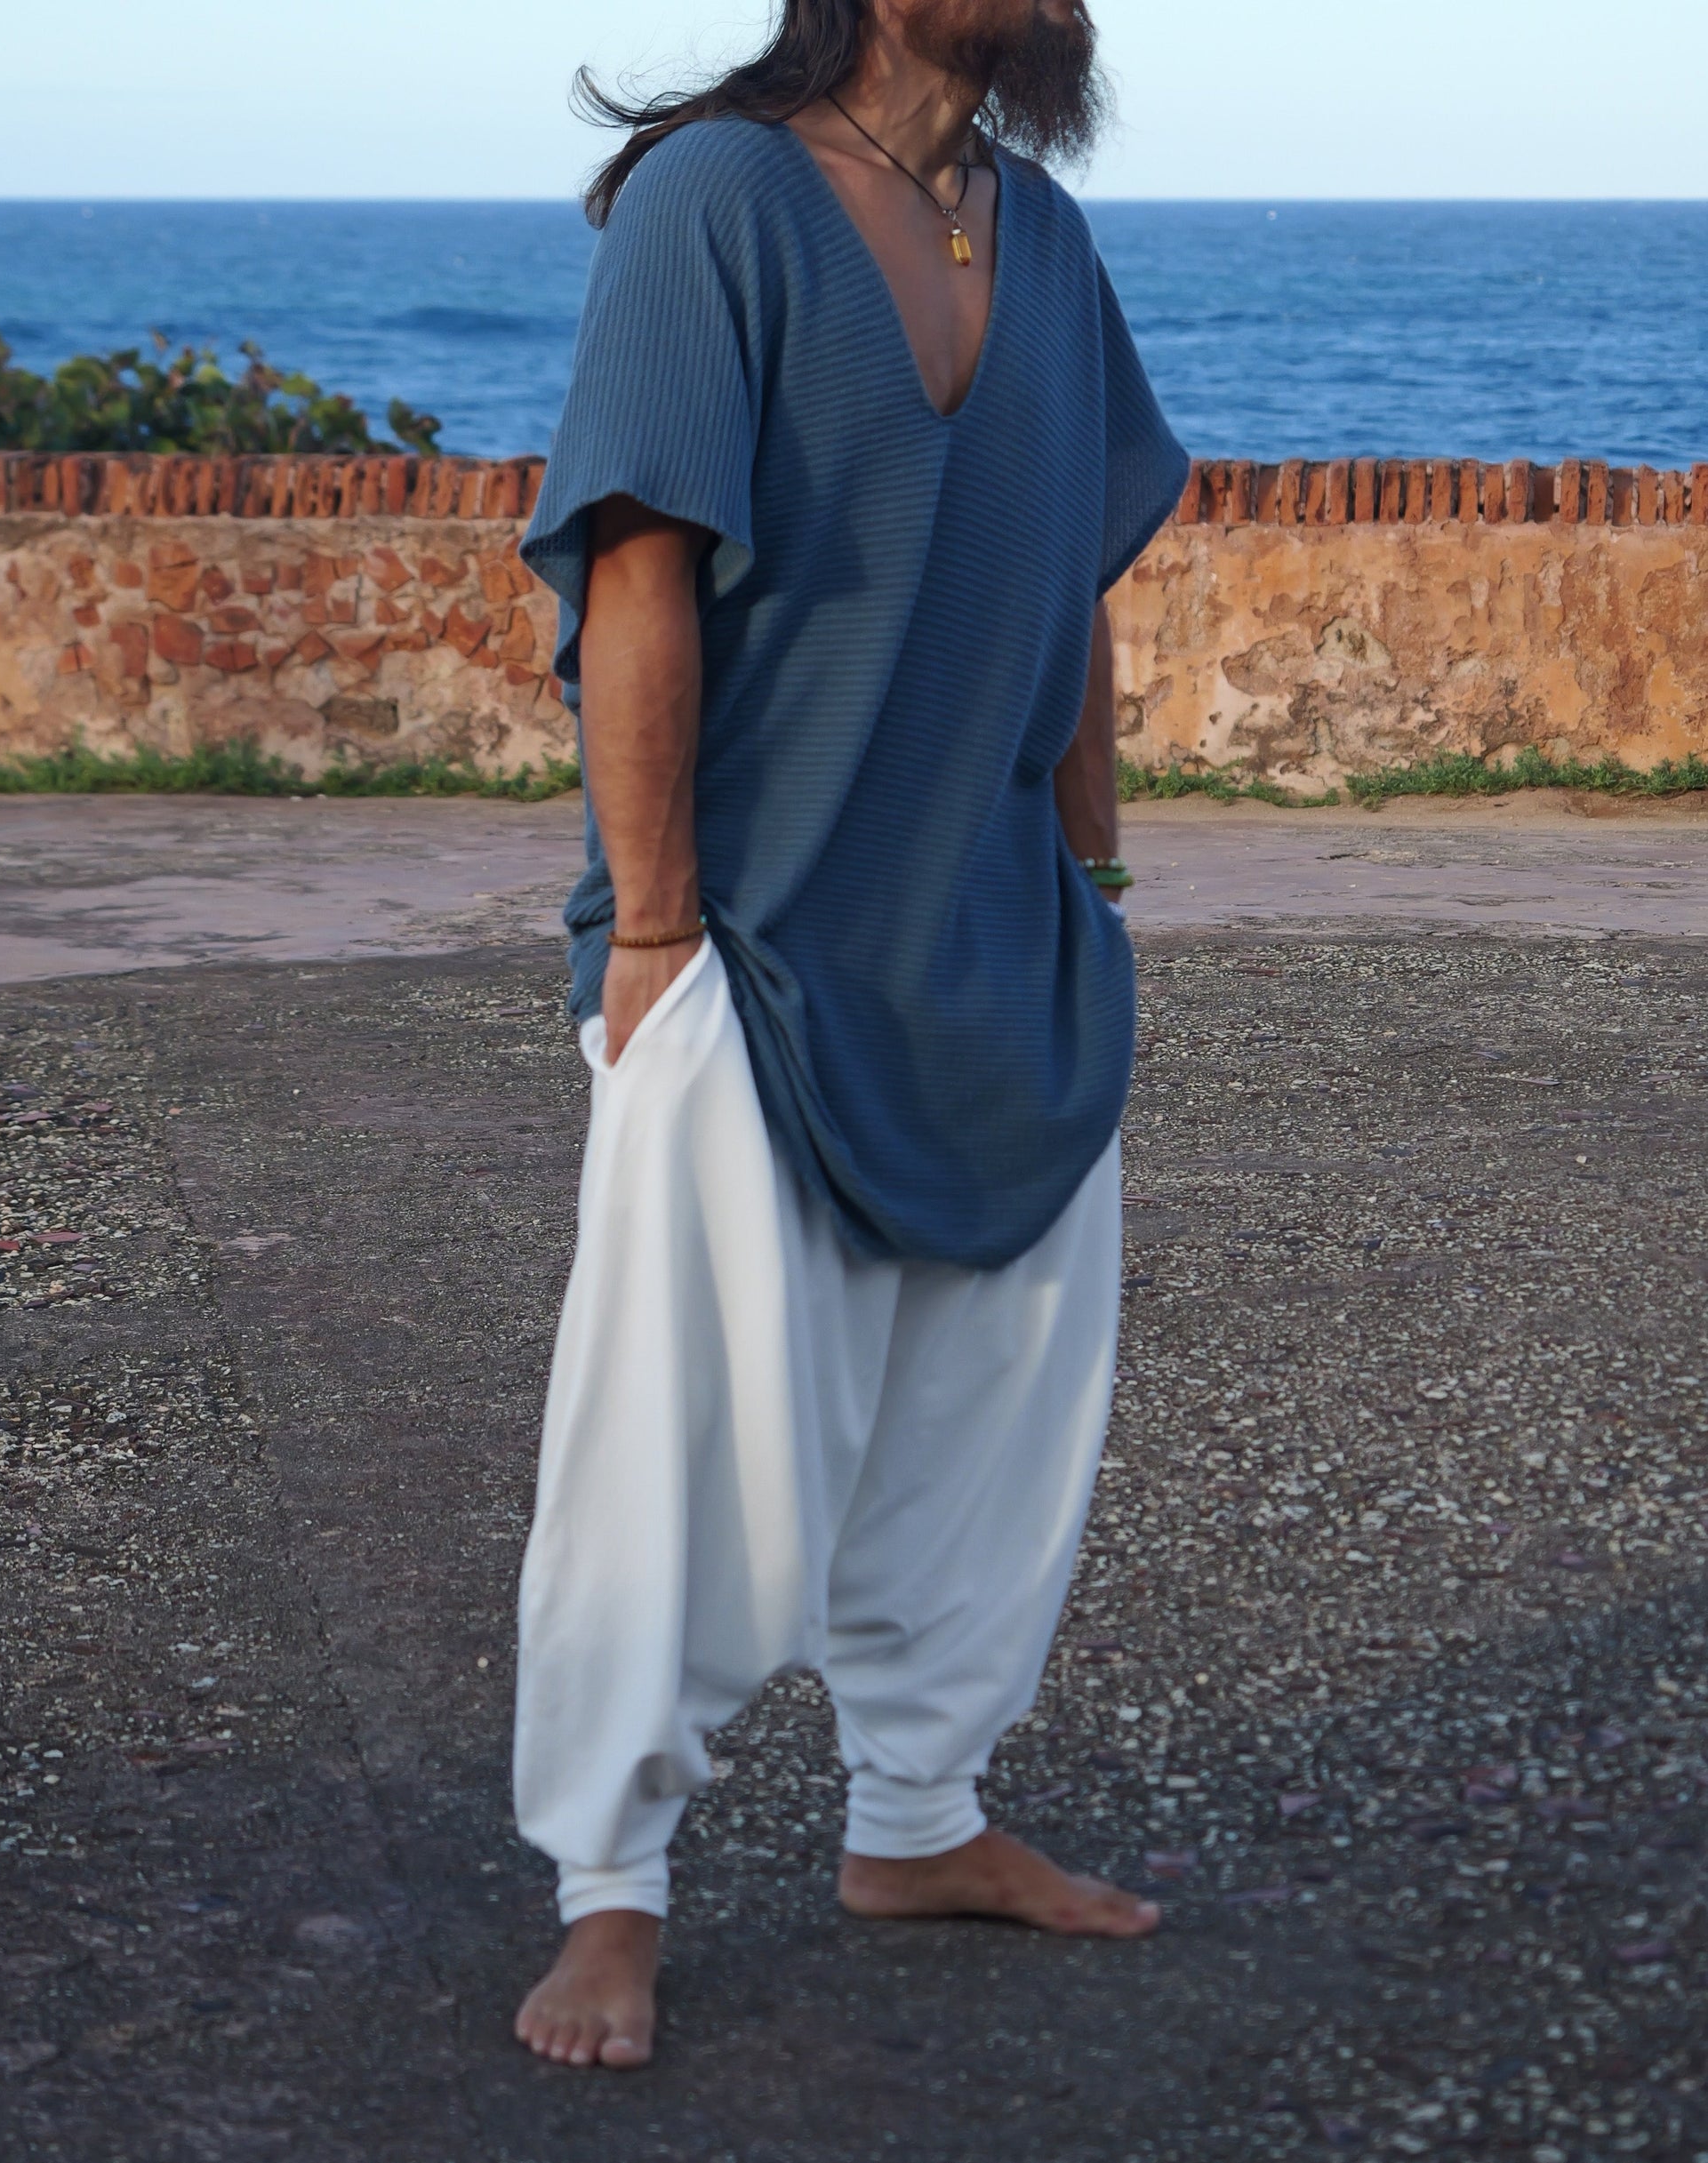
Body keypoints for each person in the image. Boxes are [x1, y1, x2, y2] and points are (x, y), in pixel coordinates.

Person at [511, 0, 1189, 2071]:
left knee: (996, 1416)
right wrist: (648, 936)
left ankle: (918, 1821)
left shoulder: (1042, 235)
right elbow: (639, 563)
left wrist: (1091, 883)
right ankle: (608, 1893)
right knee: (677, 1448)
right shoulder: (717, 202)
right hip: (758, 941)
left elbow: (1069, 570)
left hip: (1001, 933)